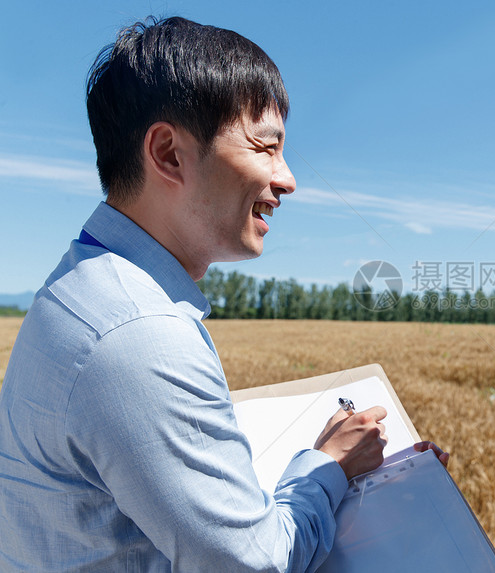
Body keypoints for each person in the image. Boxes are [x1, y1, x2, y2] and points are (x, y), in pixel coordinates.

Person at [0, 16, 447, 572]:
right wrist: (326, 468)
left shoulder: (85, 289)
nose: (286, 179)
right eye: (265, 147)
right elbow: (254, 564)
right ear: (168, 154)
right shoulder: (140, 334)